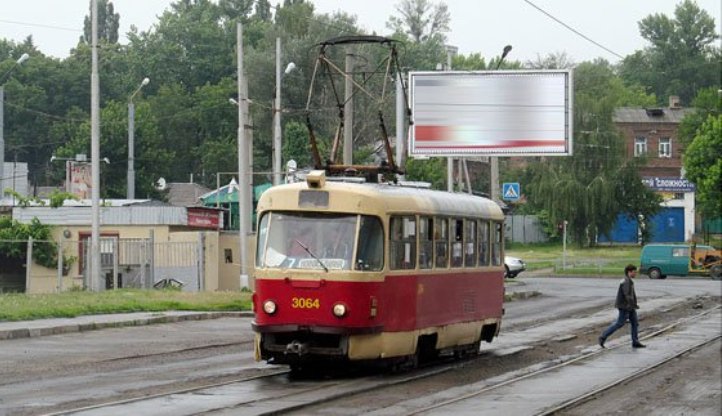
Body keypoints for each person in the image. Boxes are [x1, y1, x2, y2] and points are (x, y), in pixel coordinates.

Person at [599, 264, 646, 349]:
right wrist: (632, 304)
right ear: (629, 272)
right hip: (625, 306)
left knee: (635, 323)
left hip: (630, 306)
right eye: (634, 272)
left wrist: (633, 305)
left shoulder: (628, 280)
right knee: (619, 323)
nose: (635, 274)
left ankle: (635, 341)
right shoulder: (626, 281)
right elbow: (627, 295)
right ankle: (603, 336)